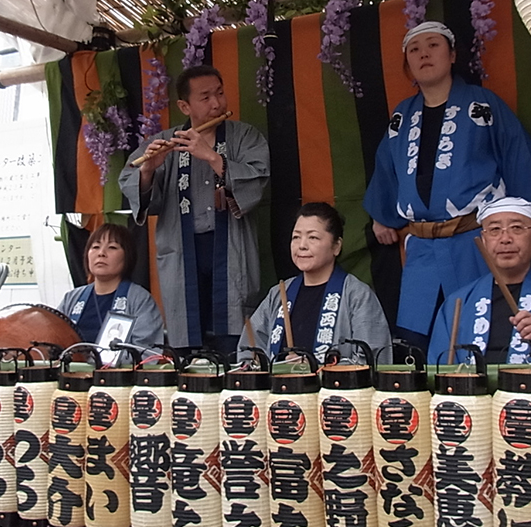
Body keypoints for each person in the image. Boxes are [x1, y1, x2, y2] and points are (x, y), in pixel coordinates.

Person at [363, 21, 531, 352]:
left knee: (477, 331)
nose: (424, 54)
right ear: (407, 64)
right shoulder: (402, 116)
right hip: (421, 247)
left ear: (452, 55)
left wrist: (525, 217)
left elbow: (517, 156)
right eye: (414, 50)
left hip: (472, 241)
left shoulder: (482, 105)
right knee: (416, 342)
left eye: (433, 45)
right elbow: (387, 167)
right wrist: (382, 215)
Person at [120, 64, 270, 354]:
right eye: (205, 97)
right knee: (187, 330)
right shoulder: (166, 141)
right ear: (184, 106)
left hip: (231, 248)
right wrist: (148, 169)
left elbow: (257, 179)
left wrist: (212, 157)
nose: (217, 103)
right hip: (181, 251)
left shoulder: (245, 136)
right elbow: (130, 181)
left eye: (220, 93)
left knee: (232, 332)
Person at [428, 197, 531, 366]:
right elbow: (438, 366)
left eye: (516, 228)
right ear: (483, 240)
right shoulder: (457, 302)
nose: (505, 239)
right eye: (495, 230)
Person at [247, 203, 392, 365]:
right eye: (296, 237)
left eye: (313, 237)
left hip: (334, 383)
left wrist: (313, 367)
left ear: (336, 246)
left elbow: (373, 359)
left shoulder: (357, 295)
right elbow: (249, 351)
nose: (302, 245)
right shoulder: (279, 294)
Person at [56, 222, 166, 352]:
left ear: (127, 256)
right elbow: (54, 338)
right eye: (95, 247)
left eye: (112, 247)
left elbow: (146, 352)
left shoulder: (140, 300)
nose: (101, 253)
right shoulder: (71, 299)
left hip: (120, 366)